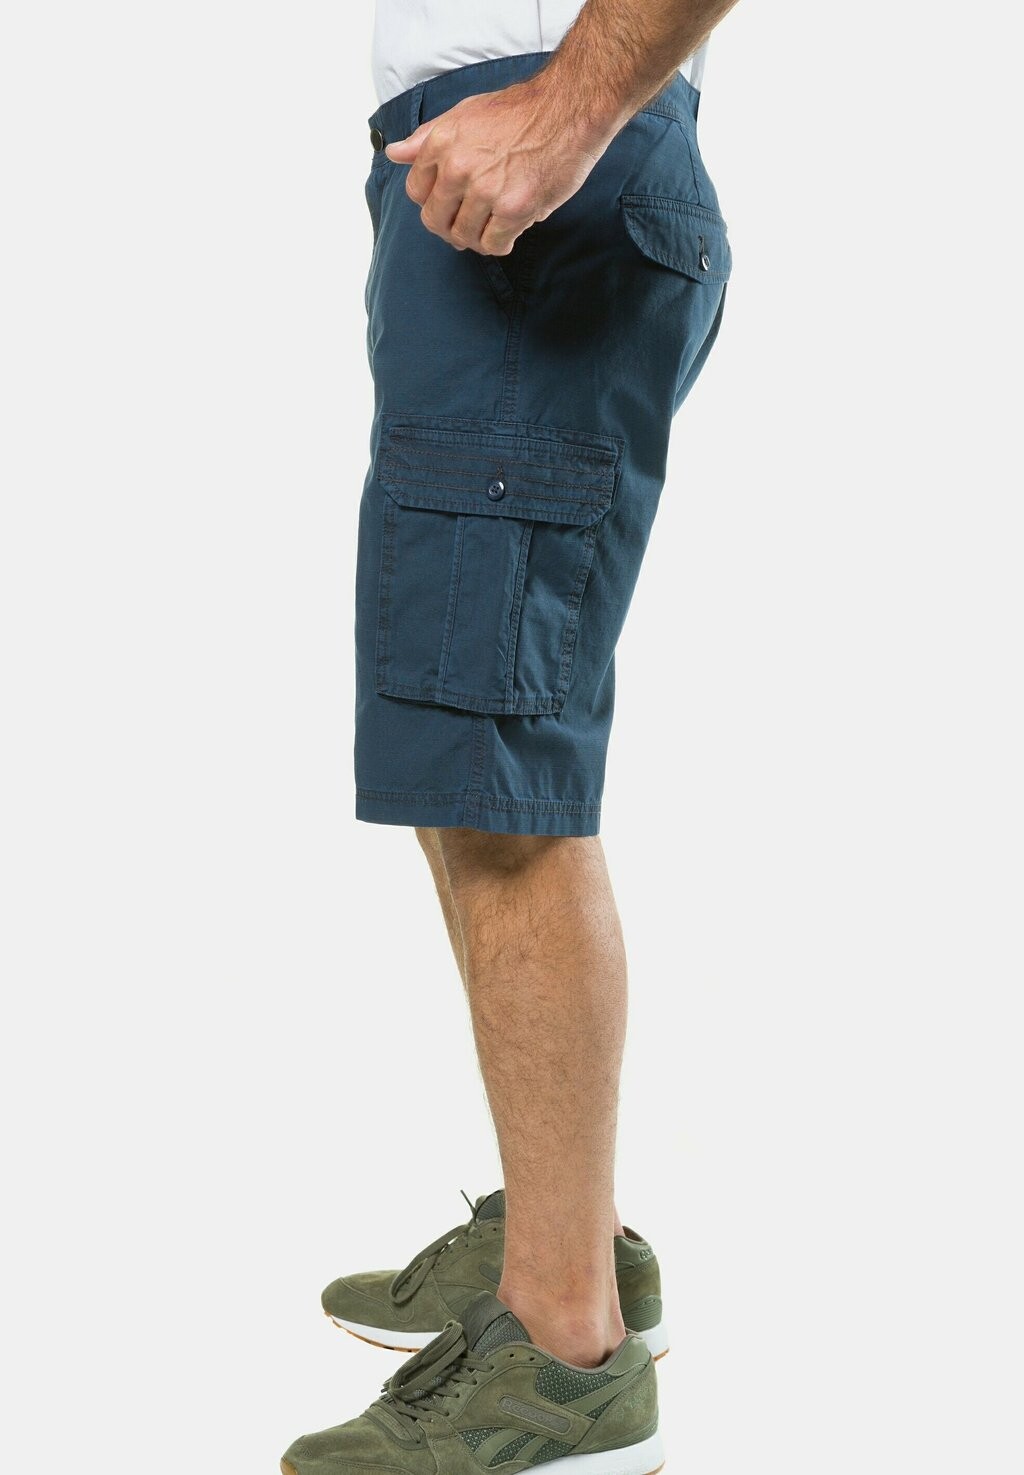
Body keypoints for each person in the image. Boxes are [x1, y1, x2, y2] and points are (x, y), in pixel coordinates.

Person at [283, 0, 740, 1470]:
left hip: (543, 180)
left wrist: (567, 112)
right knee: (458, 758)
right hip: (485, 194)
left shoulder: (561, 126)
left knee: (500, 780)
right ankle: (567, 1233)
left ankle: (564, 1350)